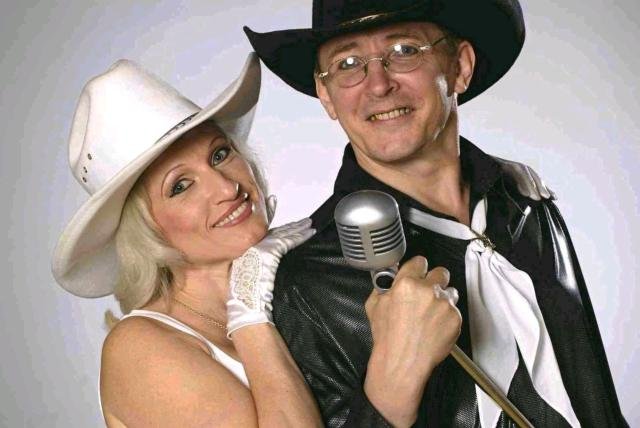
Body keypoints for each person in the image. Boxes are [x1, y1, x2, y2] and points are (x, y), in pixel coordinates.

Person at [244, 1, 629, 427]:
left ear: (460, 66)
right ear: (326, 95)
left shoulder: (528, 203)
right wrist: (391, 383)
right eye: (348, 64)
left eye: (404, 51)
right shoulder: (308, 282)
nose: (378, 85)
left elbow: (595, 393)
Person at [51, 53, 322, 427]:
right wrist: (248, 311)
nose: (226, 188)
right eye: (180, 186)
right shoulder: (138, 347)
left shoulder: (293, 289)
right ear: (147, 231)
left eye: (220, 154)